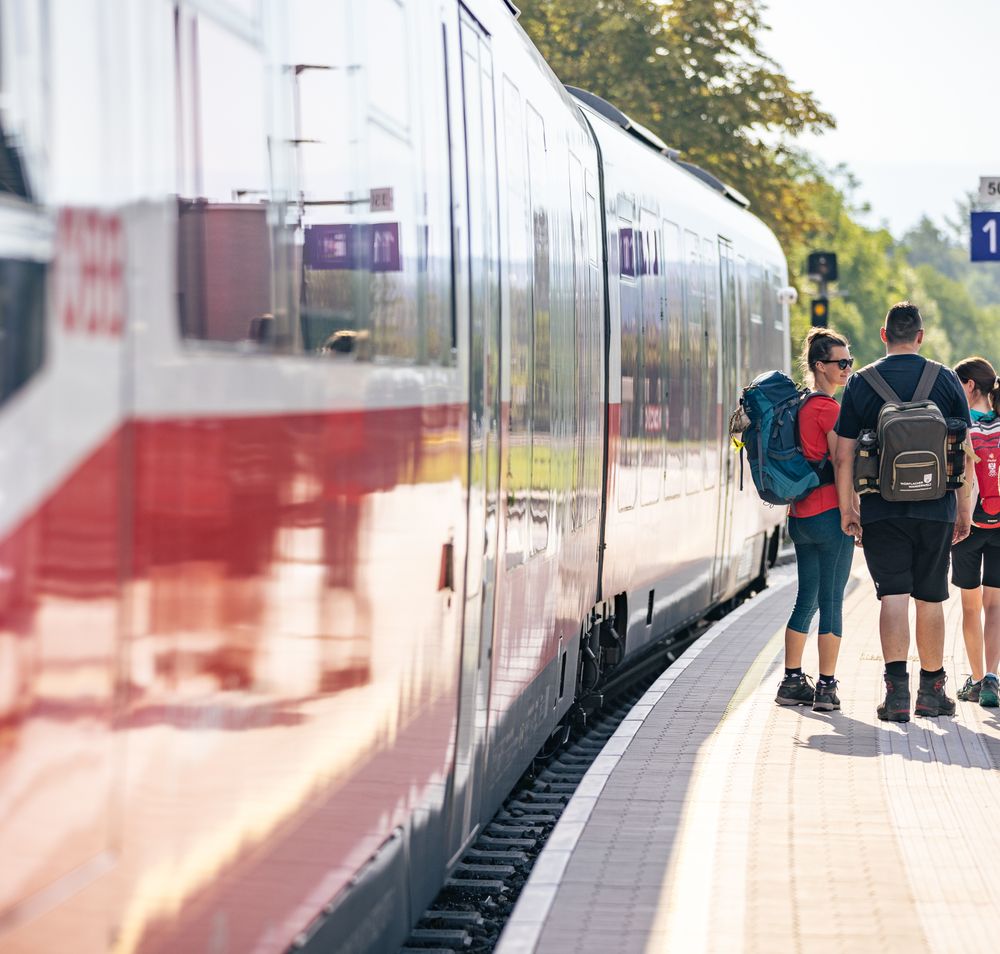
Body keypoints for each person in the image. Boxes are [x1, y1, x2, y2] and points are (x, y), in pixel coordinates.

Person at [834, 302, 972, 722]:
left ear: (883, 335)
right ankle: (932, 691)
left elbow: (843, 455)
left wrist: (848, 508)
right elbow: (963, 449)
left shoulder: (861, 382)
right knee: (930, 598)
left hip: (881, 507)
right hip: (937, 507)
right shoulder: (945, 378)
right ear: (920, 336)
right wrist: (965, 509)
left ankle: (896, 696)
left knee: (892, 596)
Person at [775, 328, 856, 712]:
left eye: (849, 362)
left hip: (800, 516)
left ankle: (791, 680)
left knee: (805, 599)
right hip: (828, 516)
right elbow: (842, 463)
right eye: (840, 363)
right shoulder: (829, 409)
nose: (846, 369)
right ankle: (826, 686)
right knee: (832, 601)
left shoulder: (801, 406)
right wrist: (850, 513)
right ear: (820, 366)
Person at [951, 356, 1000, 707]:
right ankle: (992, 682)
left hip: (967, 525)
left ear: (969, 385)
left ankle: (977, 678)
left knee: (970, 608)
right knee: (994, 606)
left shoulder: (960, 427)